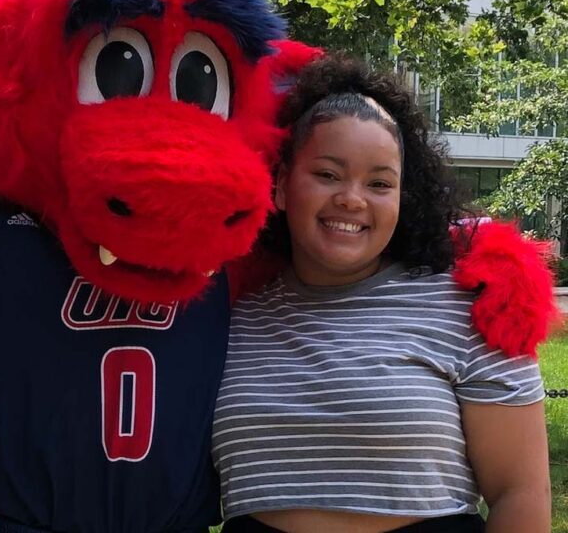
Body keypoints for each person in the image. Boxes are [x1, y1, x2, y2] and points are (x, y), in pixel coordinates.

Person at [213, 55, 551, 533]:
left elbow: (521, 494)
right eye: (328, 174)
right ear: (283, 185)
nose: (352, 198)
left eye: (379, 183)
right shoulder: (234, 315)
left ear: (401, 197)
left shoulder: (475, 305)